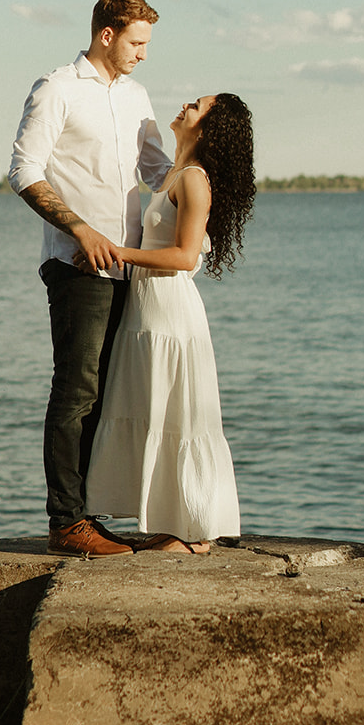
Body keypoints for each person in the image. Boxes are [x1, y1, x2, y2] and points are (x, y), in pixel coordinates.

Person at [8, 0, 171, 557]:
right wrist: (81, 230)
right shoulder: (57, 87)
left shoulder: (137, 96)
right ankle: (66, 523)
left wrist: (203, 181)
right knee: (76, 392)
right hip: (78, 265)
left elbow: (157, 171)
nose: (143, 54)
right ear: (107, 34)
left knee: (109, 394)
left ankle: (91, 516)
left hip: (134, 266)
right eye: (137, 42)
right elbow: (23, 170)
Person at [84, 92, 255, 555]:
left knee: (179, 414)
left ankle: (195, 534)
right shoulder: (174, 175)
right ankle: (170, 526)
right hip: (148, 307)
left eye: (197, 106)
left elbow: (183, 256)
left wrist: (117, 252)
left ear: (210, 128)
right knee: (154, 408)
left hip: (170, 312)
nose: (185, 106)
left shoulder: (195, 180)